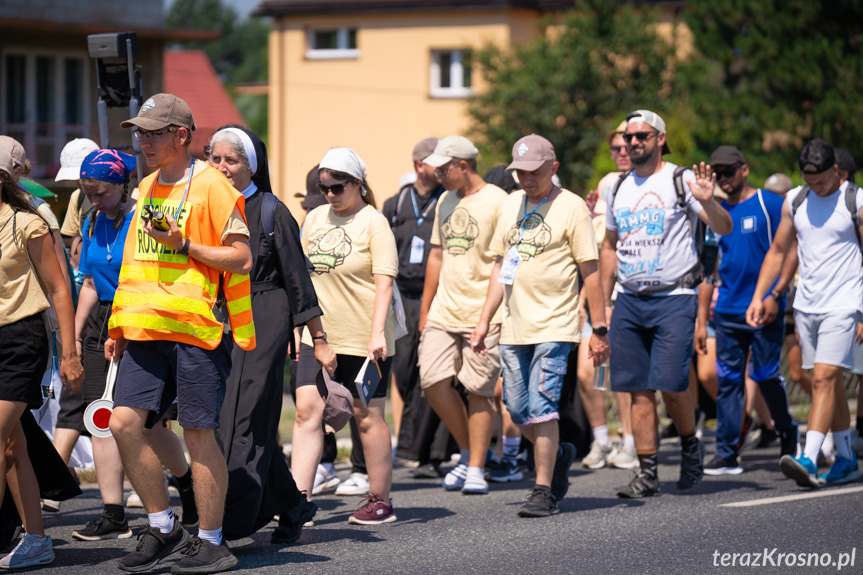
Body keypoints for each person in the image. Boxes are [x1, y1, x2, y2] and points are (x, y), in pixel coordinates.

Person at [106, 93, 254, 573]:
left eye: (154, 132)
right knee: (124, 423)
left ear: (182, 136)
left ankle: (212, 541)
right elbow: (135, 262)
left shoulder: (213, 186)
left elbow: (241, 258)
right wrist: (118, 324)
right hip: (145, 328)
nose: (144, 141)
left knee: (197, 434)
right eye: (140, 133)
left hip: (196, 330)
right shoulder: (146, 185)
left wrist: (187, 245)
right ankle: (163, 525)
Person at [208, 126, 335, 543]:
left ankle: (229, 524)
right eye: (215, 158)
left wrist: (318, 339)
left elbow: (298, 281)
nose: (222, 167)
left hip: (264, 314)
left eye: (232, 160)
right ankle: (293, 503)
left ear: (251, 167)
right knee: (229, 419)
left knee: (243, 418)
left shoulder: (271, 210)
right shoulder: (205, 208)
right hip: (218, 319)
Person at [471, 134, 610, 516]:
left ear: (554, 168)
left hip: (555, 325)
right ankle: (560, 450)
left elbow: (591, 273)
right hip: (514, 325)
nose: (526, 179)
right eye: (520, 172)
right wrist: (484, 320)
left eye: (534, 171)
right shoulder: (512, 204)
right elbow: (501, 265)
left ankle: (543, 489)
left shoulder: (572, 208)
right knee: (517, 410)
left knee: (543, 407)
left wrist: (599, 329)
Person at [600, 109, 732, 498]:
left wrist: (708, 203)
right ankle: (647, 472)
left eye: (642, 135)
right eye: (629, 137)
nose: (634, 142)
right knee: (638, 390)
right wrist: (604, 302)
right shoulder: (618, 187)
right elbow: (609, 246)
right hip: (628, 299)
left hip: (674, 297)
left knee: (672, 385)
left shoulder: (681, 179)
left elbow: (721, 228)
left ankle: (691, 445)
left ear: (660, 138)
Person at [70, 149, 198, 541]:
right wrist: (73, 339)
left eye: (101, 192)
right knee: (103, 420)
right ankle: (114, 512)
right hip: (102, 323)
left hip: (143, 317)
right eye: (88, 193)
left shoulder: (146, 213)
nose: (94, 200)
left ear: (122, 185)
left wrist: (127, 325)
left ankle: (188, 484)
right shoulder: (92, 221)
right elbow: (90, 283)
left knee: (150, 423)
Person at [293, 147, 399, 525]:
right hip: (318, 335)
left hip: (364, 337)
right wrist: (299, 331)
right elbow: (301, 279)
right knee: (307, 410)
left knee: (365, 417)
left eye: (338, 187)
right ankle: (298, 501)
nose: (330, 194)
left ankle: (379, 499)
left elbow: (384, 282)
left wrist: (377, 336)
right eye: (324, 187)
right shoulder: (315, 218)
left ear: (358, 184)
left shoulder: (374, 222)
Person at [747, 139, 862, 488]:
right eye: (809, 181)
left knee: (826, 377)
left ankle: (808, 457)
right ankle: (845, 458)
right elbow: (778, 250)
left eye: (822, 181)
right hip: (806, 305)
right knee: (825, 381)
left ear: (836, 171)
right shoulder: (795, 200)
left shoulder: (854, 200)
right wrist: (762, 296)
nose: (816, 187)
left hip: (845, 303)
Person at [0, 142, 83, 568]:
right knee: (12, 446)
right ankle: (36, 538)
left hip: (21, 341)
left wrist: (69, 353)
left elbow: (59, 290)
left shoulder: (26, 223)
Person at [696, 145, 798, 476]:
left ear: (745, 170)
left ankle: (787, 432)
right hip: (726, 311)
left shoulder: (770, 204)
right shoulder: (717, 213)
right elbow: (710, 267)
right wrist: (701, 318)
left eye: (728, 171)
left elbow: (789, 250)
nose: (723, 179)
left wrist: (775, 294)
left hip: (764, 309)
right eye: (717, 173)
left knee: (766, 376)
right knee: (727, 381)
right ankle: (726, 452)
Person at [419, 136, 508, 495]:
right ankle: (469, 449)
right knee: (433, 381)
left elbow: (503, 263)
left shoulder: (499, 202)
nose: (437, 174)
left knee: (478, 389)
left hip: (483, 312)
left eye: (443, 168)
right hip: (444, 310)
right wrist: (425, 312)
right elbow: (437, 256)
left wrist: (489, 316)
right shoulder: (444, 199)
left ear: (463, 165)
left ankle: (475, 467)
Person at [382, 137, 452, 478]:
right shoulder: (394, 205)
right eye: (434, 162)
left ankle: (430, 454)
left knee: (434, 372)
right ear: (419, 166)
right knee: (404, 373)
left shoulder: (449, 200)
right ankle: (410, 448)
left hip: (439, 296)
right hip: (402, 297)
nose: (441, 168)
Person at [579, 120, 636, 471]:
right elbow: (599, 243)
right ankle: (602, 441)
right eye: (615, 148)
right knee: (589, 374)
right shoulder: (607, 184)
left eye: (627, 147)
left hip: (626, 295)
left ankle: (632, 442)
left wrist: (614, 301)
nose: (621, 153)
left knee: (625, 377)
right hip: (596, 293)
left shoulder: (649, 185)